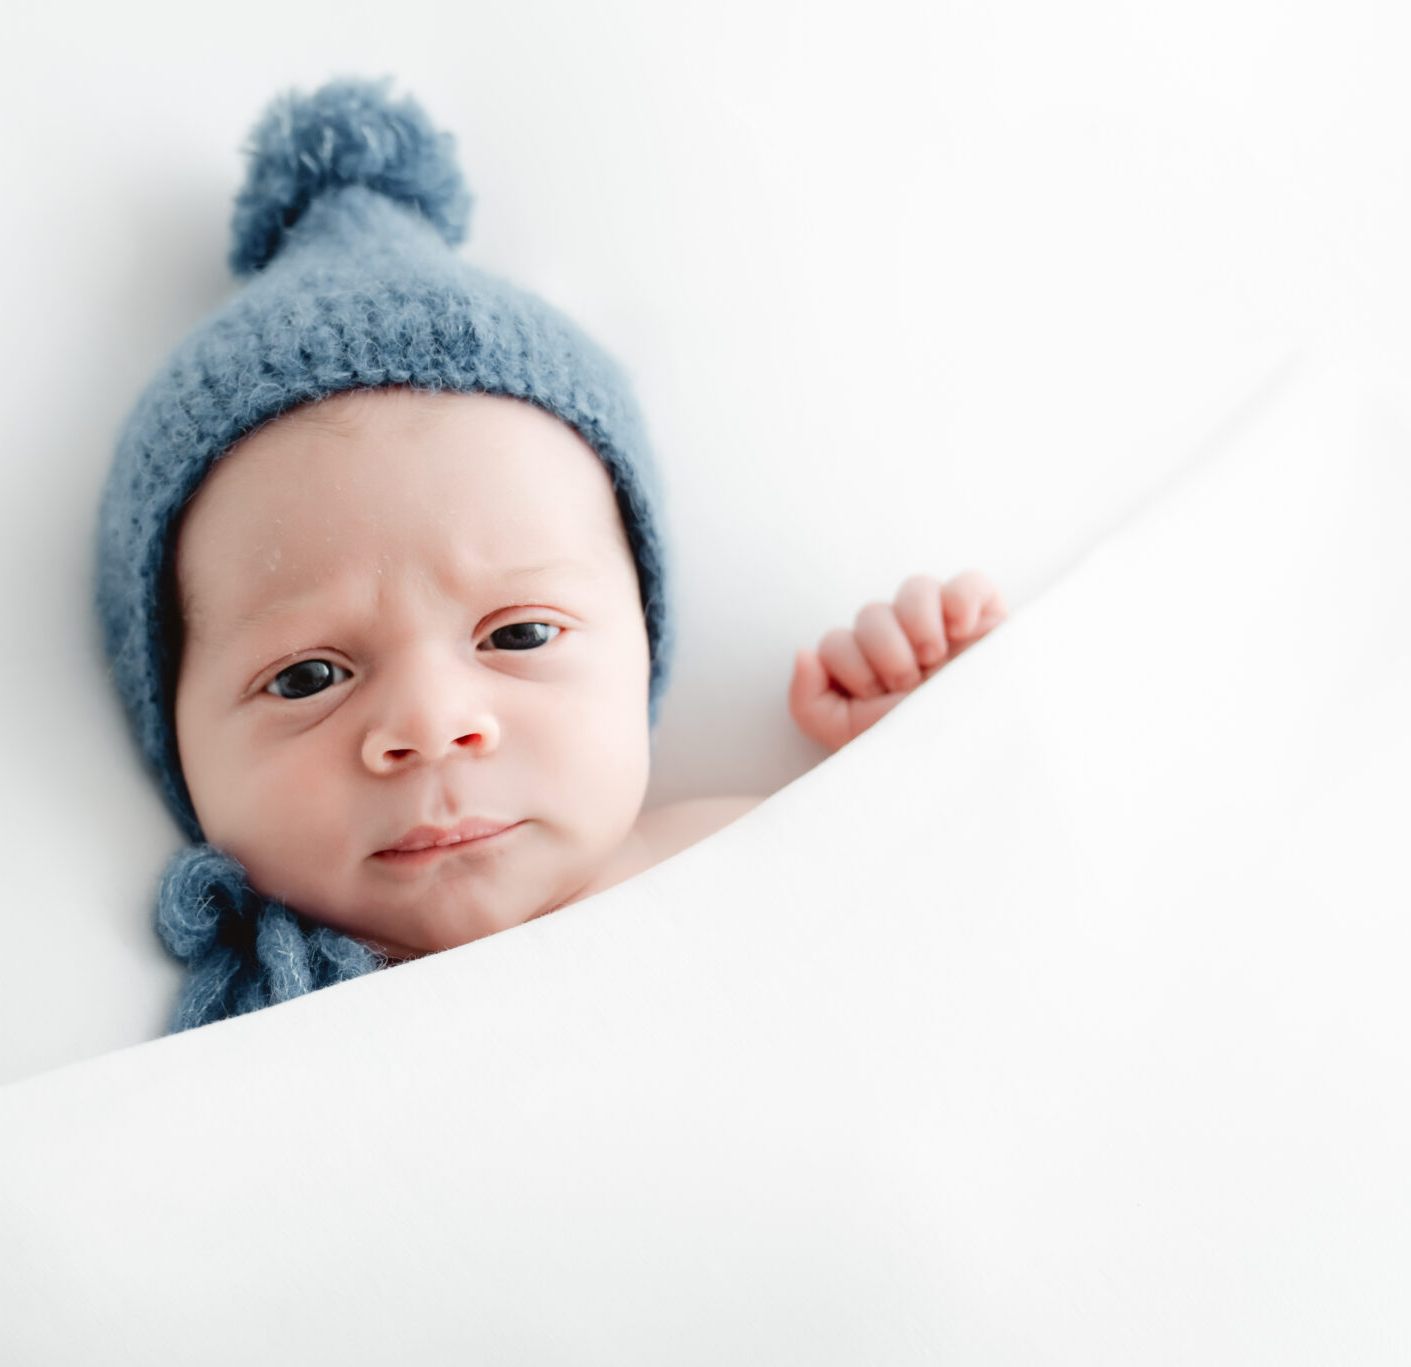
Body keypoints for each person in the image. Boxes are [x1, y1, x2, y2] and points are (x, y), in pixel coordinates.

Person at [95, 78, 1006, 1032]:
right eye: (308, 675)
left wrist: (931, 753)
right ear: (177, 743)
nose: (432, 723)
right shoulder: (265, 1033)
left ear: (643, 646)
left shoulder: (742, 855)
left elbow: (987, 955)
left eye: (520, 631)